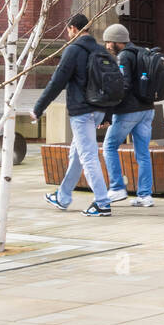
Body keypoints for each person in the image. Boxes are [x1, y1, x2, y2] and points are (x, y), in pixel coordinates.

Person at [29, 13, 113, 216]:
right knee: (77, 153)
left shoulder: (73, 51)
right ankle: (63, 196)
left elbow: (57, 82)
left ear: (74, 28)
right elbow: (110, 83)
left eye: (68, 30)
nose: (67, 34)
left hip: (82, 112)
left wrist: (38, 108)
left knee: (87, 156)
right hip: (99, 110)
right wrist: (108, 114)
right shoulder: (101, 50)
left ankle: (102, 202)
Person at [101, 23, 156, 208]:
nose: (108, 46)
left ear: (118, 41)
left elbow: (123, 85)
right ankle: (145, 196)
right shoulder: (143, 52)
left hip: (129, 111)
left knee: (109, 146)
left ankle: (116, 188)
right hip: (148, 109)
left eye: (109, 42)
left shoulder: (124, 56)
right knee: (143, 153)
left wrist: (108, 109)